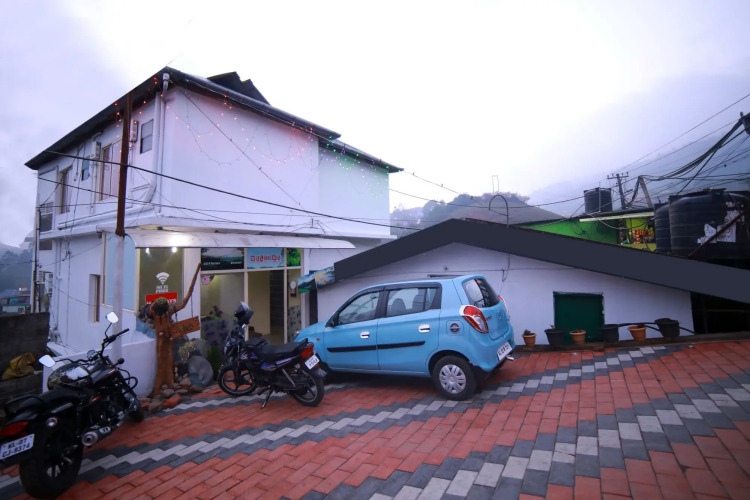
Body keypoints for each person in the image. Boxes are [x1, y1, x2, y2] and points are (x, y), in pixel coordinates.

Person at [149, 262, 201, 396]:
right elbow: (183, 303)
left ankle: (169, 382)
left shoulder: (157, 313)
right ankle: (164, 384)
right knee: (164, 357)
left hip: (166, 338)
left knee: (168, 357)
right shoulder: (163, 313)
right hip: (164, 339)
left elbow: (182, 304)